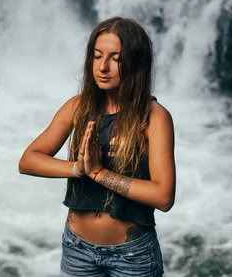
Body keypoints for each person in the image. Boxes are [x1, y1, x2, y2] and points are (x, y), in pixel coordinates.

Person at [18, 16, 176, 277]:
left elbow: (164, 197)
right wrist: (78, 168)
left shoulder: (154, 117)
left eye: (115, 58)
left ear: (135, 62)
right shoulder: (78, 107)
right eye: (97, 55)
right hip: (77, 250)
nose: (103, 66)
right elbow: (28, 161)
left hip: (132, 256)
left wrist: (100, 173)